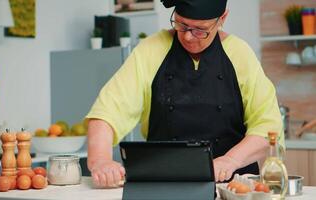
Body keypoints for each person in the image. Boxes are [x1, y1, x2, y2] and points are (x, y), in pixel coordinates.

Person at [85, 0, 285, 188]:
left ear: (222, 18)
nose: (188, 36)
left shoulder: (240, 53)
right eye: (181, 25)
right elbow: (108, 111)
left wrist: (230, 160)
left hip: (233, 186)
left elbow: (269, 128)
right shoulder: (151, 49)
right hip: (163, 184)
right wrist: (100, 160)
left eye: (200, 30)